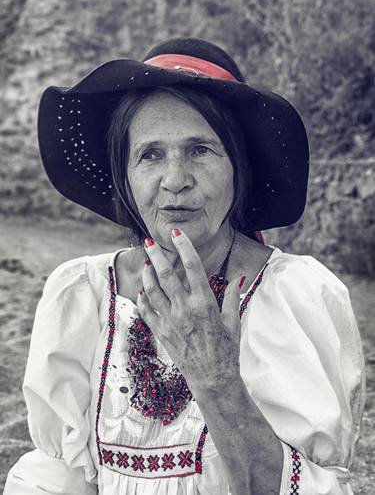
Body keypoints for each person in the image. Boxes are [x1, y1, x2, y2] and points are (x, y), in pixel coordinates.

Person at [4, 37, 365, 495]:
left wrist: (216, 380)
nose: (175, 181)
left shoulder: (295, 296)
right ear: (126, 176)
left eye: (200, 150)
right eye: (150, 154)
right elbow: (57, 478)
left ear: (239, 167)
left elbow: (310, 487)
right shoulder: (83, 293)